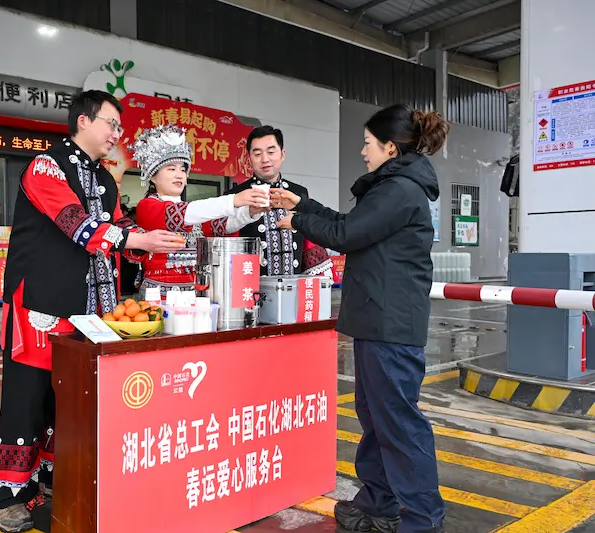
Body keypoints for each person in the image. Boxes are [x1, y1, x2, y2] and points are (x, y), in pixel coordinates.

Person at [0, 90, 184, 532]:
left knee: (71, 397)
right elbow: (75, 223)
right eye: (111, 124)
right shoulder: (46, 166)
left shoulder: (107, 179)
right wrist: (138, 240)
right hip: (38, 302)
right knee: (28, 396)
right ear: (83, 121)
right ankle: (8, 495)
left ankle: (59, 473)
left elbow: (117, 222)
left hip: (89, 305)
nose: (117, 134)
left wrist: (150, 235)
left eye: (119, 127)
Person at [272, 104, 449, 533]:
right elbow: (354, 224)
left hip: (390, 327)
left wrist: (296, 219)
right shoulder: (392, 187)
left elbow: (346, 235)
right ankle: (378, 505)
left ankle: (423, 521)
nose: (363, 151)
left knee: (399, 426)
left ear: (390, 147)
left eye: (368, 143)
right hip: (377, 322)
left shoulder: (399, 190)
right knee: (378, 422)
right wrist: (305, 205)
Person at [132, 124, 268, 295]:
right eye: (171, 169)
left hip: (193, 295)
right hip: (159, 296)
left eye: (183, 169)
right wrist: (234, 200)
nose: (179, 174)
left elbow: (222, 225)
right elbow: (185, 214)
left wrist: (251, 211)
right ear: (152, 176)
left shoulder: (192, 212)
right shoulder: (148, 206)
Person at [226, 125, 333, 277]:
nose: (265, 159)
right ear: (248, 158)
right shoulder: (236, 195)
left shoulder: (298, 193)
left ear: (282, 154)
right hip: (250, 288)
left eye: (271, 152)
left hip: (293, 287)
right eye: (257, 154)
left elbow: (308, 243)